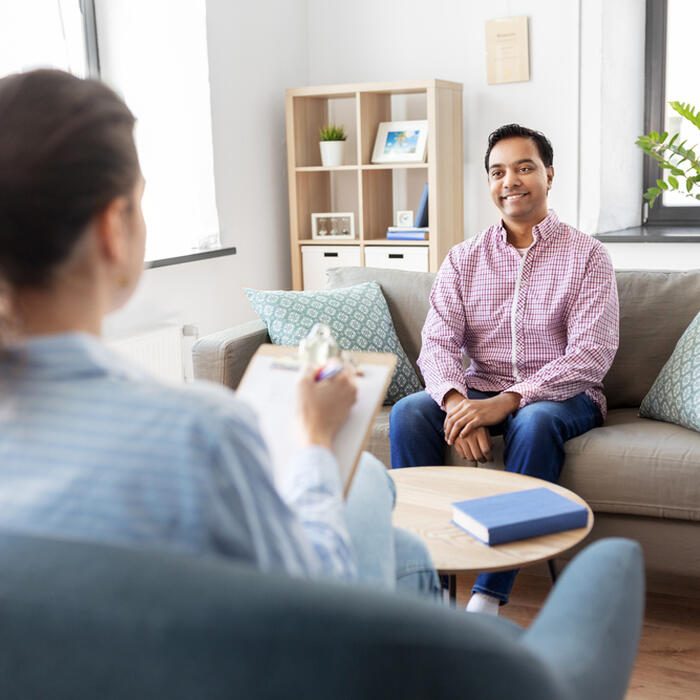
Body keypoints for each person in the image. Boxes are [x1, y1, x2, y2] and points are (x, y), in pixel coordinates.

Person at [0, 68, 439, 598]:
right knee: (368, 485)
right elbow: (314, 603)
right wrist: (317, 441)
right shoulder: (198, 433)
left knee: (407, 549)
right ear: (112, 228)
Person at [390, 124, 619, 614]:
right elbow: (437, 343)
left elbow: (590, 355)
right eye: (498, 172)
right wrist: (458, 406)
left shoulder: (588, 256)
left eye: (524, 167)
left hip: (563, 395)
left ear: (549, 175)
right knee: (409, 412)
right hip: (478, 386)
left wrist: (505, 403)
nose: (510, 180)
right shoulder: (463, 259)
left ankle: (489, 596)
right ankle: (420, 589)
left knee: (534, 422)